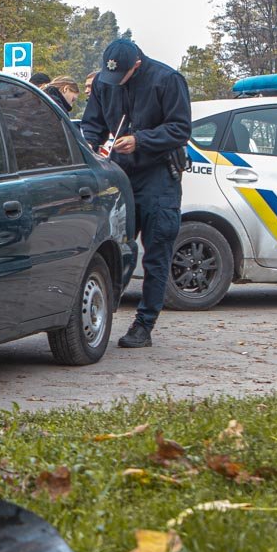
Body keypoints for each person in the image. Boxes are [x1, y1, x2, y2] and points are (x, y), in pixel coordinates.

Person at [81, 38, 191, 348]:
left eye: (122, 76)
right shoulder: (106, 81)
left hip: (159, 177)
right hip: (120, 175)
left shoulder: (167, 80)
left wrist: (141, 140)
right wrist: (89, 144)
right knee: (114, 247)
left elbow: (181, 129)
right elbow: (93, 123)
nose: (115, 82)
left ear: (137, 65)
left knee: (157, 253)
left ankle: (144, 325)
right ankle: (100, 315)